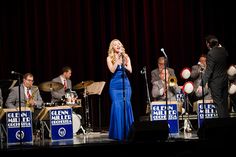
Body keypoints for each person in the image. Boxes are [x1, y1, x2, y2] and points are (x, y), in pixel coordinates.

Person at [106, 39, 134, 141]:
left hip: (125, 84)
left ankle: (129, 132)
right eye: (115, 45)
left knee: (126, 104)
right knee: (117, 106)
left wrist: (124, 63)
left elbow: (130, 70)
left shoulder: (126, 57)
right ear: (112, 47)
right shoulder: (109, 58)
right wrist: (117, 61)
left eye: (119, 44)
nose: (117, 46)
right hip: (115, 86)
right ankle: (118, 133)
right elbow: (112, 70)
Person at [197, 35, 229, 118]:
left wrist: (201, 84)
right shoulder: (223, 50)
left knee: (218, 104)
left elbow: (209, 71)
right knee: (224, 104)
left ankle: (223, 125)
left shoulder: (211, 54)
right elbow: (226, 55)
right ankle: (228, 124)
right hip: (225, 81)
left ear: (208, 44)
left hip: (216, 83)